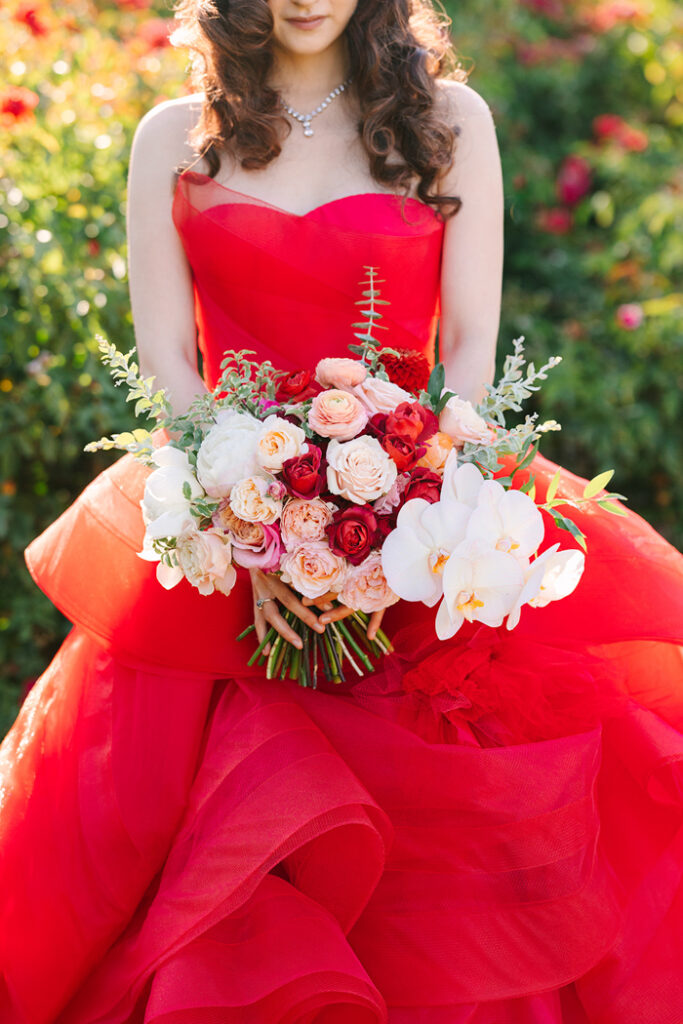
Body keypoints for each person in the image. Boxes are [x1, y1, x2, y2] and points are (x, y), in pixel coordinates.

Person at [1, 1, 683, 1021]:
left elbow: (464, 355)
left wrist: (396, 527)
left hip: (418, 530)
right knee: (206, 866)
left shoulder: (447, 121)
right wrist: (260, 532)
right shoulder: (171, 140)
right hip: (224, 554)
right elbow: (170, 370)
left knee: (451, 899)